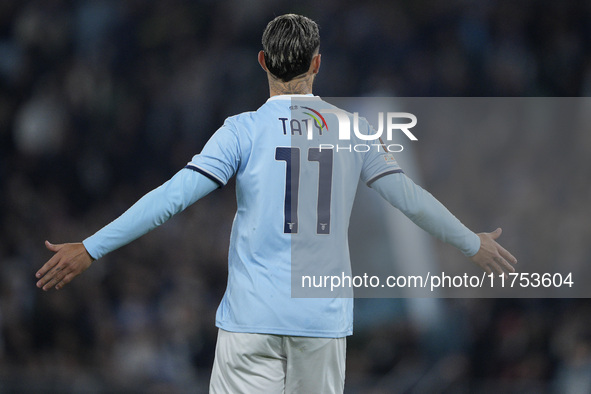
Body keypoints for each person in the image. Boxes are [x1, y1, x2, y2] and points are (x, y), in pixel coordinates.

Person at [36, 14, 517, 393]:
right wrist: (471, 243)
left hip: (252, 320)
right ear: (317, 63)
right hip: (321, 321)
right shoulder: (353, 129)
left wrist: (91, 247)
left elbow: (173, 198)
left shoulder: (241, 130)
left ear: (263, 61)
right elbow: (409, 199)